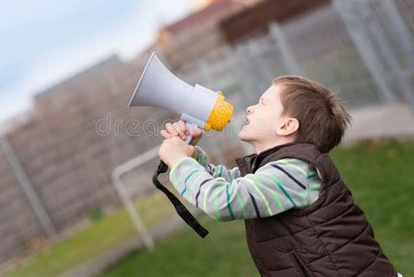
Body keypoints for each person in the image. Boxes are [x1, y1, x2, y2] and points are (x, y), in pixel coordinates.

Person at [158, 75, 399, 276]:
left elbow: (223, 201)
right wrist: (190, 155)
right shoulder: (273, 170)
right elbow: (227, 181)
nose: (250, 108)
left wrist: (179, 162)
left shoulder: (295, 172)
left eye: (262, 103)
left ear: (286, 126)